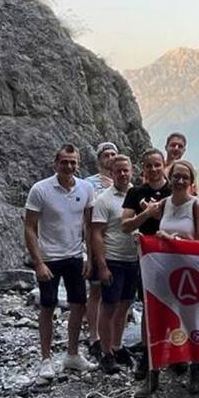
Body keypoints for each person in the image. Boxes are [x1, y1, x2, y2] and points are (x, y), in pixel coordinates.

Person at [135, 159, 199, 398]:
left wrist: (173, 240)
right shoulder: (163, 204)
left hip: (189, 272)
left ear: (191, 181)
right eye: (175, 177)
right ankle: (152, 373)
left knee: (191, 321)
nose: (179, 181)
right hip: (162, 270)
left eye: (184, 178)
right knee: (157, 319)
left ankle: (196, 369)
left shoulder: (197, 206)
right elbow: (149, 228)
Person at [23, 144, 95, 379]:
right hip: (50, 258)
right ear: (56, 163)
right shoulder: (40, 189)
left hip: (75, 256)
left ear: (78, 163)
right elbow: (30, 227)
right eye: (64, 162)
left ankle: (72, 355)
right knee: (47, 306)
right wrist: (38, 262)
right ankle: (45, 359)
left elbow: (89, 225)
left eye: (73, 162)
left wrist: (89, 257)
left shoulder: (85, 188)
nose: (69, 166)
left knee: (79, 305)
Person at [121, 149, 171, 380]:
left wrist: (157, 217)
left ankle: (172, 352)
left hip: (172, 257)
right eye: (149, 166)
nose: (153, 170)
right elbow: (126, 225)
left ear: (163, 166)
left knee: (173, 305)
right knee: (149, 305)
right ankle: (147, 354)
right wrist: (147, 214)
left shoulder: (173, 190)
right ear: (143, 168)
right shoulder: (135, 192)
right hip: (147, 258)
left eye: (157, 165)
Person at [88, 154, 138, 374]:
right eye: (118, 171)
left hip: (133, 260)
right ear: (111, 172)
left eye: (126, 170)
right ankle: (106, 353)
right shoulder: (104, 200)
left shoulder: (137, 195)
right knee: (108, 307)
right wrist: (102, 265)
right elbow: (96, 234)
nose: (123, 174)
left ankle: (117, 346)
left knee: (125, 305)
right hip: (114, 259)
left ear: (131, 171)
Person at [82, 140, 119, 356]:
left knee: (114, 293)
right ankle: (93, 336)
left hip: (117, 244)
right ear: (99, 159)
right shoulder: (89, 184)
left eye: (114, 154)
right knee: (95, 291)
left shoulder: (124, 182)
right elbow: (86, 217)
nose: (111, 158)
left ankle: (111, 336)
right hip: (97, 241)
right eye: (106, 155)